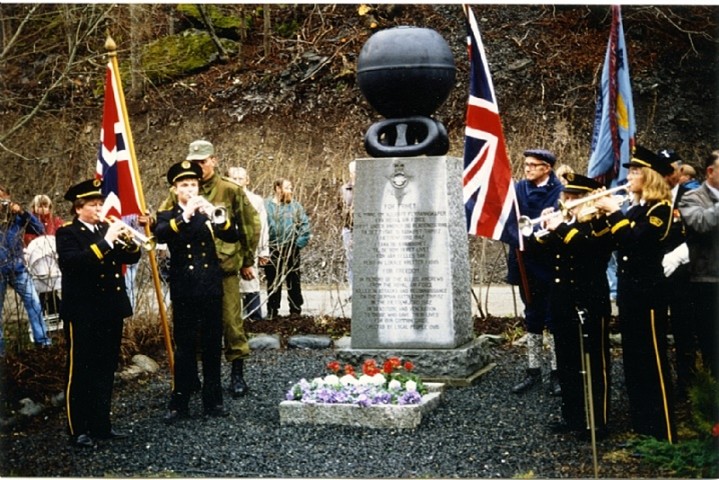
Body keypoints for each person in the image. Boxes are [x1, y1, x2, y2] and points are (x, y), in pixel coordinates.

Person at [159, 140, 259, 398]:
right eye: (195, 162)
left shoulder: (230, 189)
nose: (199, 166)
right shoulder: (179, 189)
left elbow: (248, 225)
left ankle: (237, 374)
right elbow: (164, 222)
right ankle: (192, 378)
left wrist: (248, 260)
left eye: (203, 161)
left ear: (214, 160)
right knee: (192, 327)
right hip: (192, 274)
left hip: (223, 267)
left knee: (231, 323)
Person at [594, 145, 677, 443]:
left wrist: (614, 212)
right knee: (634, 364)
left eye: (635, 172)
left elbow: (633, 241)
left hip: (649, 296)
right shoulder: (636, 208)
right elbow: (613, 240)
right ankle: (644, 430)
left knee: (653, 363)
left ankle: (665, 434)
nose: (629, 177)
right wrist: (602, 214)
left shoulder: (660, 210)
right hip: (630, 295)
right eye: (629, 172)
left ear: (649, 176)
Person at [56, 178, 141, 448]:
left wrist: (129, 239)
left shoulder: (106, 228)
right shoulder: (67, 233)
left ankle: (101, 425)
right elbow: (74, 263)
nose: (98, 209)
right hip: (83, 311)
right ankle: (78, 429)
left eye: (100, 204)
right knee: (81, 370)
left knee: (106, 368)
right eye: (93, 204)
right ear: (78, 208)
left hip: (110, 309)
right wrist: (107, 241)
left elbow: (132, 257)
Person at [156, 161, 239, 423]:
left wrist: (216, 215)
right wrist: (186, 215)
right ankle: (179, 403)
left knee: (213, 345)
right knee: (185, 347)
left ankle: (213, 401)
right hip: (185, 289)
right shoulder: (168, 215)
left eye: (193, 184)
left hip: (210, 287)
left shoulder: (208, 213)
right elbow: (161, 235)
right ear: (175, 189)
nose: (190, 189)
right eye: (184, 185)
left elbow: (233, 236)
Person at [533, 173, 613, 440]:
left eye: (574, 197)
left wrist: (561, 228)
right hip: (563, 300)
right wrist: (546, 228)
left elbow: (587, 250)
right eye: (566, 197)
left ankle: (597, 421)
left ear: (588, 198)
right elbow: (543, 251)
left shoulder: (599, 223)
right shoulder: (568, 224)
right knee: (567, 360)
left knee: (593, 362)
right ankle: (573, 416)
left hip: (589, 300)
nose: (568, 202)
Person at [506, 149, 563, 396]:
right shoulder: (518, 188)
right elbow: (509, 219)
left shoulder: (559, 191)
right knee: (532, 316)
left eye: (533, 165)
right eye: (526, 164)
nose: (527, 168)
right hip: (524, 262)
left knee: (553, 318)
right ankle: (533, 370)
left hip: (549, 263)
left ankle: (557, 372)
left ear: (546, 168)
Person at [657, 148, 698, 398]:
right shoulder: (652, 196)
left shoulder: (691, 197)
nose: (665, 176)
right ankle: (663, 384)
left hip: (685, 273)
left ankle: (687, 383)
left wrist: (678, 256)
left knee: (684, 329)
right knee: (658, 329)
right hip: (657, 273)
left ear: (679, 171)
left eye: (669, 170)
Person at [678, 149, 719, 379]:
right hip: (708, 280)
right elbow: (701, 223)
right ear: (710, 172)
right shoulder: (692, 198)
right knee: (712, 345)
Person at [0, 185, 51, 352]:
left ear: (8, 198)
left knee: (34, 304)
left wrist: (22, 212)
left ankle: (42, 342)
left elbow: (39, 229)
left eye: (2, 198)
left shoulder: (16, 217)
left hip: (18, 268)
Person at [264, 178, 312, 320]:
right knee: (273, 281)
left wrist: (297, 244)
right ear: (278, 189)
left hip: (291, 248)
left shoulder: (295, 207)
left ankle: (295, 311)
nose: (290, 191)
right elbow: (260, 227)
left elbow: (305, 227)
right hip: (272, 248)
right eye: (287, 188)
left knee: (294, 281)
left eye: (291, 188)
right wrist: (264, 247)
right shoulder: (266, 206)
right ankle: (272, 311)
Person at [228, 166, 269, 321]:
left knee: (250, 281)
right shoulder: (224, 198)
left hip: (250, 248)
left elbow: (262, 227)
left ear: (247, 180)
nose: (237, 181)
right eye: (234, 178)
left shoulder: (256, 200)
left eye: (241, 178)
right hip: (228, 249)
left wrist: (264, 250)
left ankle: (254, 319)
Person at [339, 161, 356, 293]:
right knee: (351, 259)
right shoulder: (344, 189)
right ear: (351, 173)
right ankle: (352, 288)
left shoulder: (369, 187)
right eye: (355, 171)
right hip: (349, 229)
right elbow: (340, 208)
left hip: (365, 228)